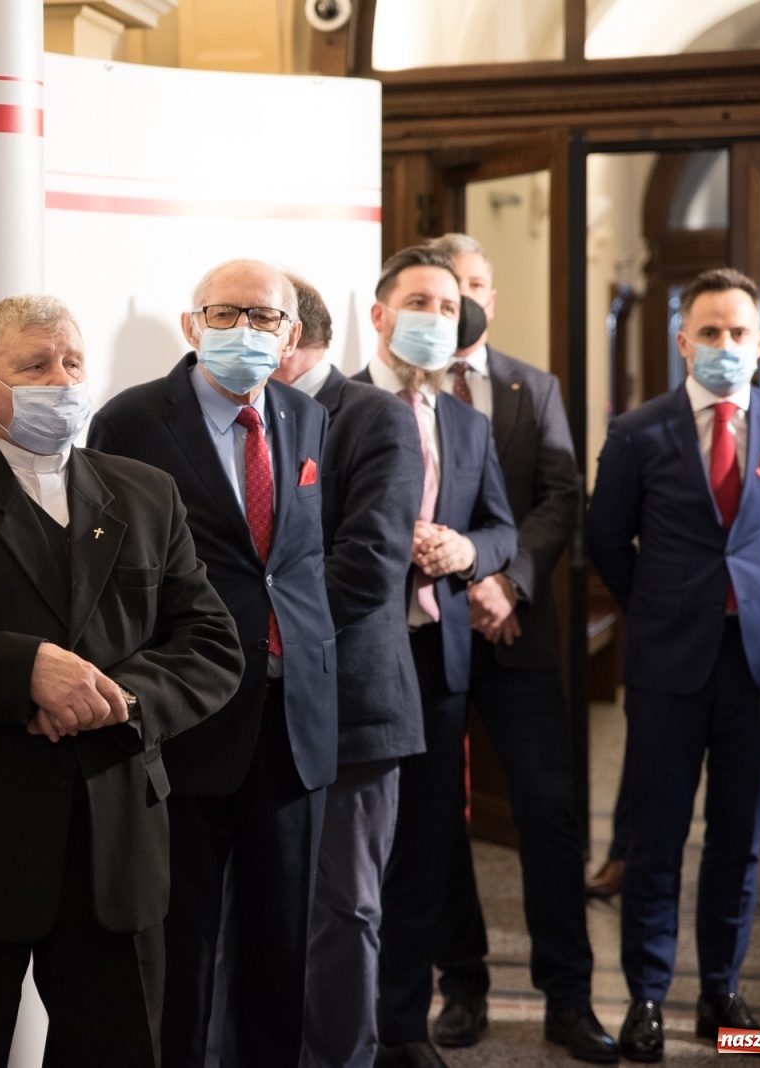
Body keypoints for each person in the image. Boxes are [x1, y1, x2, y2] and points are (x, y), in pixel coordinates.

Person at [0, 294, 244, 1068]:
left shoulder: (143, 493)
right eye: (35, 364)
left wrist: (119, 700)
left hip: (117, 848)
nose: (60, 380)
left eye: (72, 362)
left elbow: (211, 645)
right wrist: (24, 671)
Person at [88, 259, 339, 1067]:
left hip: (292, 719)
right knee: (179, 957)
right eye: (226, 314)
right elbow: (112, 574)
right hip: (186, 722)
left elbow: (295, 562)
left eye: (265, 318)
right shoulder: (131, 420)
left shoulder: (306, 417)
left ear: (291, 335)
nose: (246, 331)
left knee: (280, 952)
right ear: (193, 325)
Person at [586, 267, 760, 1062]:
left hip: (759, 664)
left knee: (739, 841)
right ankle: (647, 999)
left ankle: (722, 994)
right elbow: (606, 542)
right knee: (654, 840)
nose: (724, 346)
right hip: (667, 662)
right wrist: (656, 606)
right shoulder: (637, 431)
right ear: (682, 340)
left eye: (738, 332)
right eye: (709, 332)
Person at [422, 234, 614, 1063]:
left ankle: (568, 997)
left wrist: (505, 581)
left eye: (477, 285)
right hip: (428, 637)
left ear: (490, 301)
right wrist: (460, 589)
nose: (465, 297)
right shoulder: (380, 394)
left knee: (549, 812)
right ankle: (461, 983)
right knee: (434, 820)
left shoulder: (532, 387)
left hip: (519, 631)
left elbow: (561, 495)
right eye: (448, 284)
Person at [351, 246, 517, 1068]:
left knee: (423, 854)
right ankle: (345, 1024)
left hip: (440, 661)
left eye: (449, 308)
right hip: (359, 664)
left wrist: (466, 549)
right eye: (419, 301)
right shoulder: (333, 408)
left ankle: (403, 1030)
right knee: (353, 861)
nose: (435, 319)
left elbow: (503, 528)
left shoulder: (468, 422)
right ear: (379, 316)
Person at [283, 274, 429, 1068]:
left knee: (343, 911)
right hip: (255, 708)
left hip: (352, 706)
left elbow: (369, 563)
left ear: (293, 333)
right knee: (263, 909)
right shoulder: (227, 419)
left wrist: (263, 636)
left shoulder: (373, 416)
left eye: (253, 320)